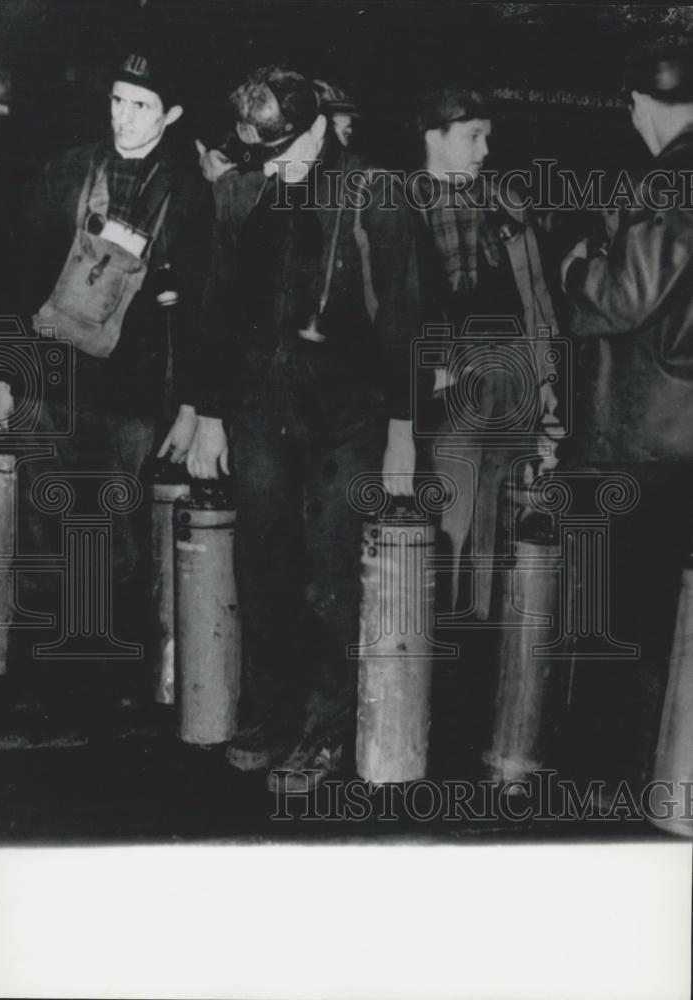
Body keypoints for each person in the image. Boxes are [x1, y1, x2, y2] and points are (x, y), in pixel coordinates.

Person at [164, 64, 424, 792]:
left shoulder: (376, 192)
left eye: (283, 148)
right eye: (258, 151)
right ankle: (271, 713)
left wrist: (404, 432)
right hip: (259, 412)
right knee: (266, 567)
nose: (271, 164)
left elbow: (405, 319)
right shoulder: (242, 187)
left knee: (331, 577)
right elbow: (214, 311)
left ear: (317, 126)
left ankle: (324, 728)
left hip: (350, 419)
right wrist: (208, 413)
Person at [14, 46, 211, 716]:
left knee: (124, 529)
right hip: (51, 382)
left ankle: (113, 690)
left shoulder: (188, 192)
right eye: (117, 102)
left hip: (134, 391)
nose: (124, 118)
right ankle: (47, 678)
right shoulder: (68, 171)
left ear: (173, 113)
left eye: (142, 106)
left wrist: (190, 405)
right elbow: (16, 274)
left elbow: (201, 308)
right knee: (48, 518)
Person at [560, 41, 693, 784]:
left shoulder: (673, 176)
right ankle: (662, 773)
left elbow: (622, 298)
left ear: (642, 106)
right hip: (682, 435)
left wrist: (578, 265)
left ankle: (605, 786)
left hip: (648, 439)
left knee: (623, 625)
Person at [393, 83, 563, 623]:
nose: (485, 151)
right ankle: (429, 642)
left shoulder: (505, 206)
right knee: (447, 516)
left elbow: (537, 302)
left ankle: (483, 647)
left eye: (487, 138)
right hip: (447, 386)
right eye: (472, 137)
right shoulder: (399, 209)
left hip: (511, 377)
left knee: (503, 520)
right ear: (432, 137)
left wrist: (548, 389)